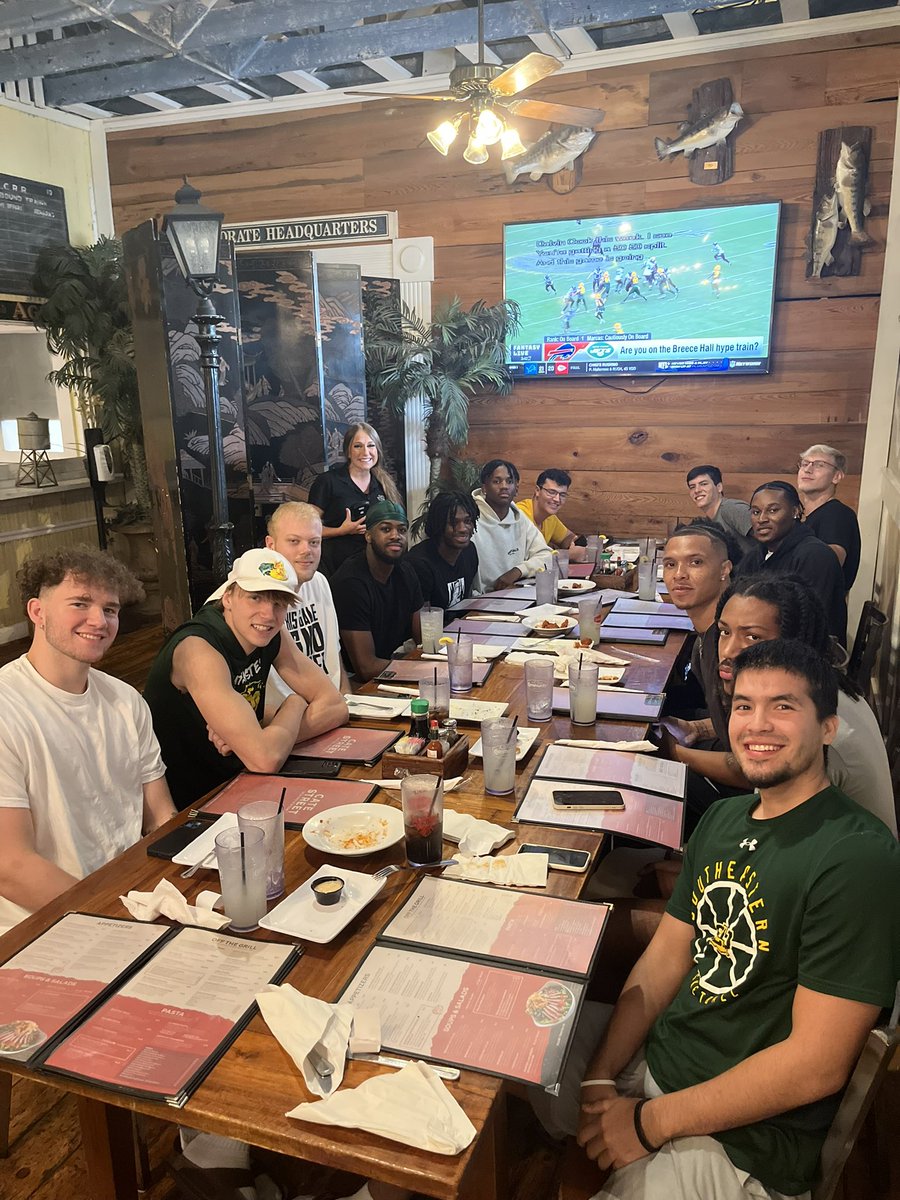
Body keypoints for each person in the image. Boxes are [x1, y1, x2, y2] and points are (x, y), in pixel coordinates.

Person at [541, 639, 900, 1200]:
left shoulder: (856, 856)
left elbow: (817, 1064)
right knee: (501, 1049)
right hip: (660, 1060)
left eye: (784, 706)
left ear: (828, 728)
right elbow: (664, 960)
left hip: (743, 1139)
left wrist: (644, 1123)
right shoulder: (728, 818)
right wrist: (601, 1075)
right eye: (743, 706)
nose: (758, 724)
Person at [0, 548, 176, 935]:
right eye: (80, 603)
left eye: (110, 609)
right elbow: (11, 867)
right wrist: (115, 918)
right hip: (41, 927)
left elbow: (161, 817)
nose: (98, 620)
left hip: (129, 901)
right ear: (37, 612)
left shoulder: (126, 700)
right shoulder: (6, 709)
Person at [666, 573, 896, 835]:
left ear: (793, 642)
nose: (729, 650)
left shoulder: (815, 731)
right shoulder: (818, 687)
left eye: (752, 637)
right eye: (724, 632)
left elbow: (783, 840)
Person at [144, 549, 347, 810]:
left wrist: (260, 738)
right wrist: (295, 704)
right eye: (255, 598)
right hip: (193, 803)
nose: (267, 614)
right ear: (228, 597)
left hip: (242, 781)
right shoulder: (199, 649)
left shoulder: (270, 633)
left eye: (279, 603)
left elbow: (336, 706)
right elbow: (264, 759)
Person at [739, 481, 847, 644]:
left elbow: (807, 624)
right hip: (761, 643)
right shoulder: (755, 555)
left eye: (773, 510)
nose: (761, 519)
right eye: (755, 512)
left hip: (807, 655)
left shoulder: (815, 556)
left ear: (795, 511)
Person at [330, 501, 423, 681]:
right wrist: (422, 668)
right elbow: (365, 667)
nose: (396, 536)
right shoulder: (351, 583)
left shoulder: (406, 571)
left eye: (402, 530)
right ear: (368, 536)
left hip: (393, 666)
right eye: (386, 529)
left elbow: (423, 640)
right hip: (353, 682)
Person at [263, 501, 348, 695]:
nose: (306, 550)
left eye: (314, 542)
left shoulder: (319, 582)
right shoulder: (259, 596)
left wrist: (347, 702)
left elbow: (334, 658)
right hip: (289, 715)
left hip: (333, 707)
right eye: (294, 541)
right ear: (271, 544)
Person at [307, 422, 401, 576]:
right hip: (337, 566)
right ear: (348, 452)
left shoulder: (384, 484)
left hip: (376, 566)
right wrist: (340, 531)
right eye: (358, 446)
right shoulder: (328, 482)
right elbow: (307, 529)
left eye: (371, 446)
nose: (365, 452)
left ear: (377, 450)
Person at [660, 523, 734, 709]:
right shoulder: (704, 636)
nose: (679, 575)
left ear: (724, 570)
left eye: (696, 562)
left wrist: (700, 728)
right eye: (671, 564)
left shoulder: (733, 637)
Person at [471, 459, 553, 592]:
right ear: (484, 488)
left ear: (516, 489)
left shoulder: (520, 519)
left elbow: (547, 556)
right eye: (496, 481)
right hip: (478, 601)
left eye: (509, 481)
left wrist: (518, 571)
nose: (504, 486)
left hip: (516, 595)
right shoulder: (470, 518)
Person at [796, 443, 861, 590]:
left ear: (837, 476)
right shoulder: (801, 516)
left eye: (819, 465)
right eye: (805, 464)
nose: (808, 469)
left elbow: (829, 562)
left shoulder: (838, 514)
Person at [407, 490, 479, 609]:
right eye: (453, 523)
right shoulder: (419, 563)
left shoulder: (469, 551)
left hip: (462, 625)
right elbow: (423, 621)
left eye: (467, 521)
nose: (463, 529)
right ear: (439, 524)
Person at [517, 468, 590, 560]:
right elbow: (532, 557)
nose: (557, 499)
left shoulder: (549, 517)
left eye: (562, 495)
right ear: (537, 491)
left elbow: (567, 537)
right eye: (551, 492)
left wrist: (574, 543)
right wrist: (569, 555)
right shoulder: (520, 515)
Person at [685, 464, 754, 558]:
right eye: (692, 487)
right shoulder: (707, 521)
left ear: (719, 487)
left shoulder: (731, 508)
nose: (697, 490)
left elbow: (768, 538)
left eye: (703, 484)